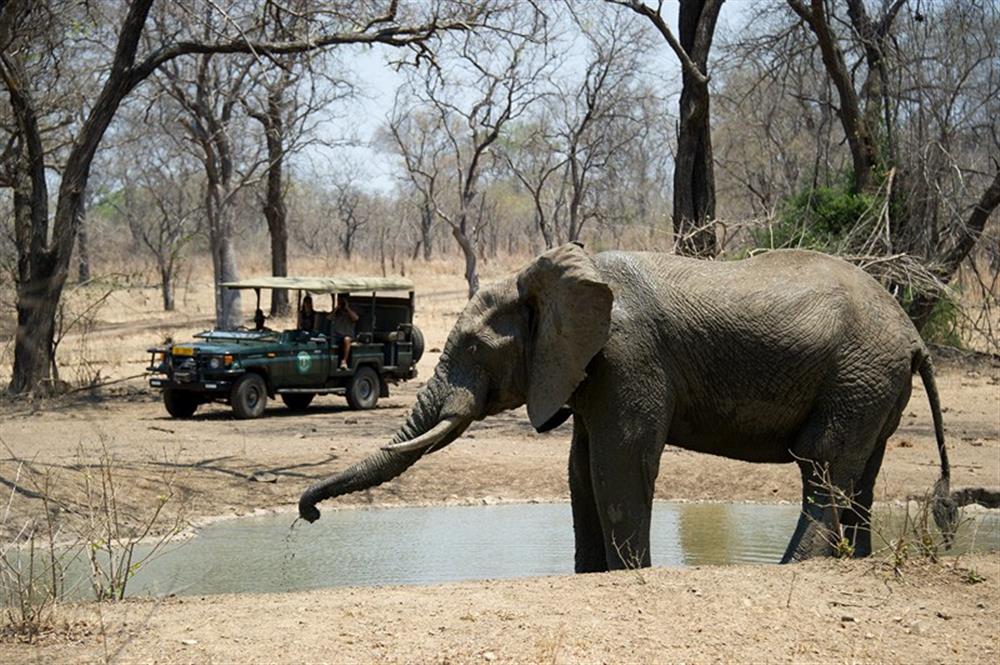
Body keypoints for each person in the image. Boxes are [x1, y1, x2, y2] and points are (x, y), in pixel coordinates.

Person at [331, 294, 359, 368]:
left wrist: (347, 308)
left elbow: (356, 318)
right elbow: (329, 318)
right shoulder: (337, 311)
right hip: (336, 335)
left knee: (346, 339)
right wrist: (336, 309)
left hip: (348, 335)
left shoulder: (351, 309)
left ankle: (344, 361)